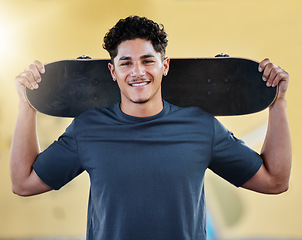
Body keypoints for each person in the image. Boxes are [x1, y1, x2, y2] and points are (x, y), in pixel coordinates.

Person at [10, 16, 291, 240]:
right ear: (112, 71)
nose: (137, 72)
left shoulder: (201, 127)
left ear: (164, 65)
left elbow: (274, 181)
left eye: (147, 61)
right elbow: (23, 184)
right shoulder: (88, 129)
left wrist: (278, 104)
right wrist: (27, 106)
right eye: (126, 63)